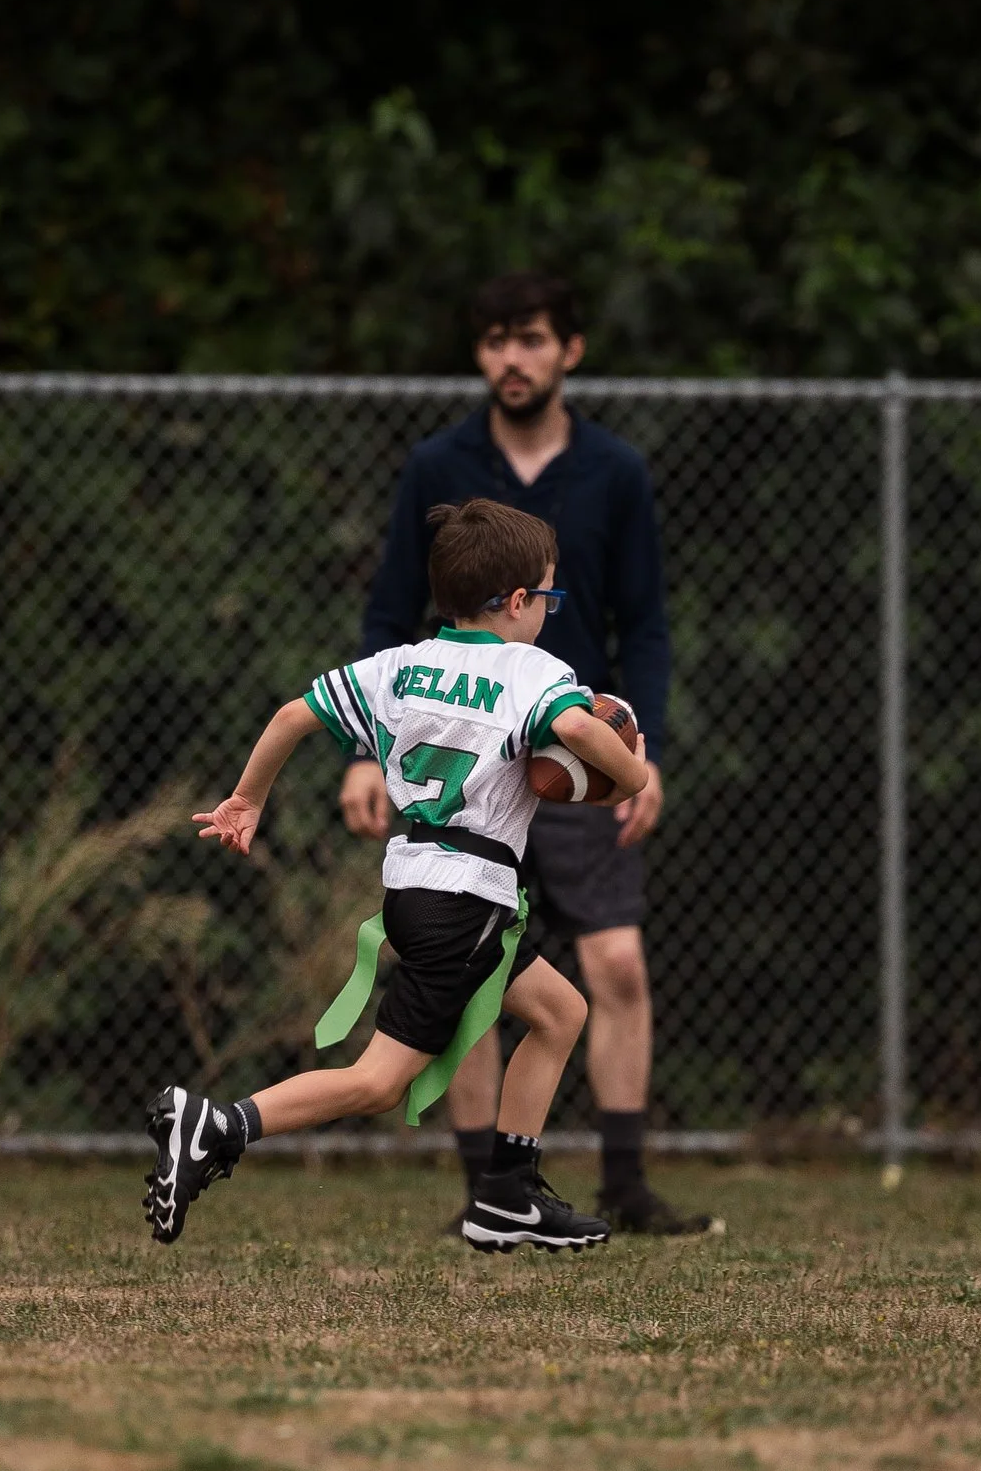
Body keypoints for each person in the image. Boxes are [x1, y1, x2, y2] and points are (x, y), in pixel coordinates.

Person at [145, 499, 651, 1251]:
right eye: (547, 596)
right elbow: (578, 729)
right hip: (470, 898)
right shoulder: (533, 670)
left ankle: (507, 1192)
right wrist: (633, 773)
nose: (548, 611)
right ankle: (219, 1125)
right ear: (517, 601)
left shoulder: (400, 666)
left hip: (415, 890)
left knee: (560, 1010)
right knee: (379, 1080)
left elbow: (292, 714)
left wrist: (247, 798)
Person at [344, 272, 711, 1236]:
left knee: (616, 968)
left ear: (570, 351)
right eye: (497, 340)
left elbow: (650, 627)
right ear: (481, 353)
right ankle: (491, 1194)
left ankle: (627, 1186)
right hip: (468, 754)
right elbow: (390, 612)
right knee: (474, 978)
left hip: (570, 755)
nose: (514, 357)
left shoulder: (615, 471)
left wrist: (645, 752)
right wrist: (361, 754)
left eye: (534, 339)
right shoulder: (439, 463)